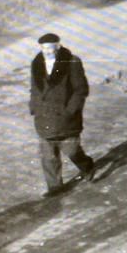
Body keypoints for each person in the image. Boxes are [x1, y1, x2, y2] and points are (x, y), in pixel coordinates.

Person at [31, 33, 96, 197]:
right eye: (44, 48)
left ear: (58, 47)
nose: (47, 51)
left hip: (65, 118)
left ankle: (87, 165)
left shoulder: (72, 62)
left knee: (72, 150)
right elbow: (34, 87)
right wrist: (33, 106)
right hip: (44, 116)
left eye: (50, 48)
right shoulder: (36, 63)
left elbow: (81, 89)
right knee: (48, 155)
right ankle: (54, 186)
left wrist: (70, 111)